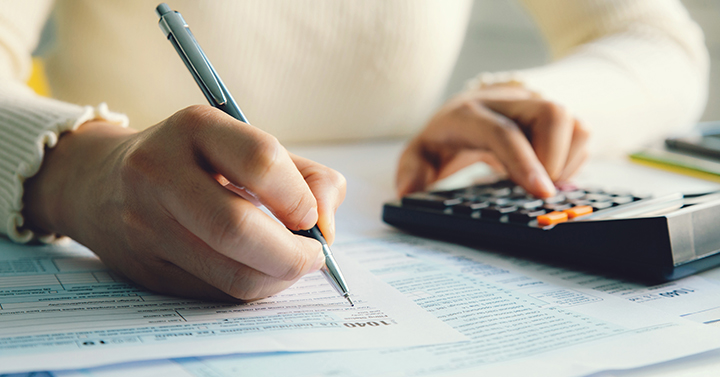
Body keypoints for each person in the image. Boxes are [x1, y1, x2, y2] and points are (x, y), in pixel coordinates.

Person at [0, 0, 709, 301]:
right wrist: (79, 170)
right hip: (99, 246)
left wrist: (533, 102)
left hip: (395, 218)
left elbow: (659, 42)